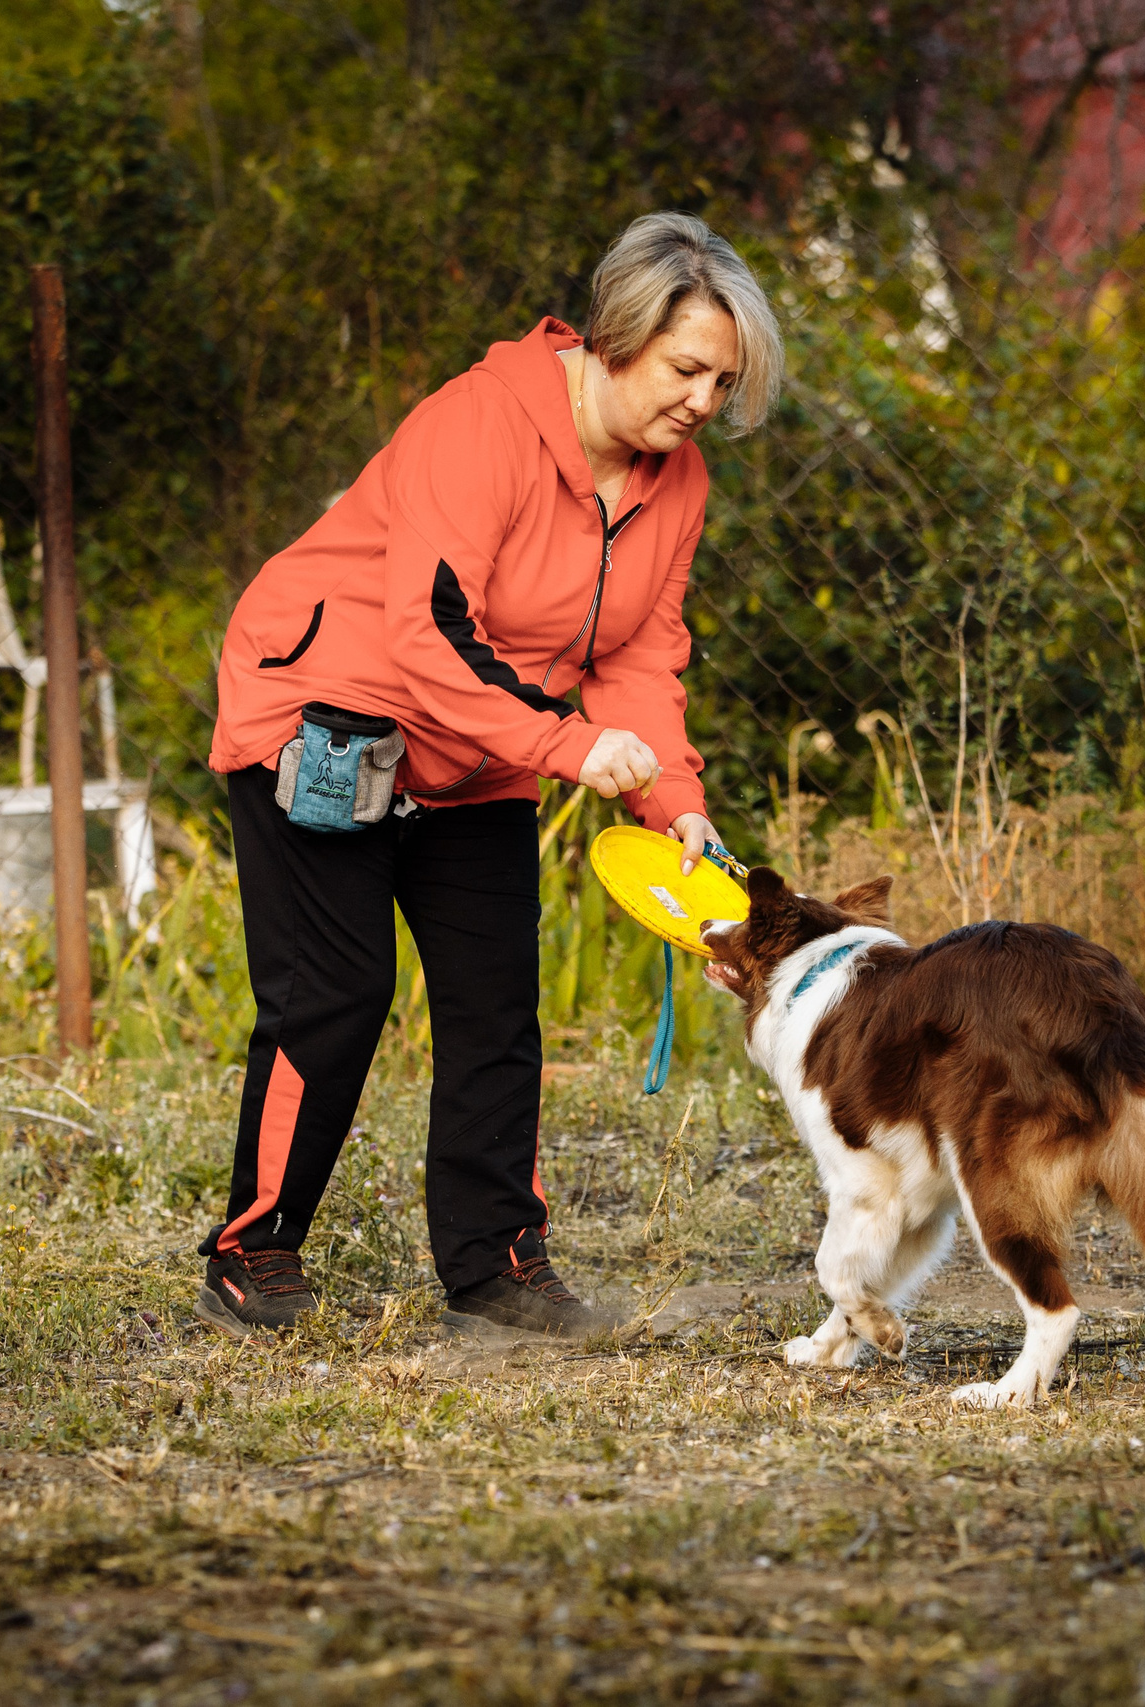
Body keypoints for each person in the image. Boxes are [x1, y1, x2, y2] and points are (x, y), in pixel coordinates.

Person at [197, 213, 785, 1336]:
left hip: (480, 741)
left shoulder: (677, 478)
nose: (703, 403)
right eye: (685, 370)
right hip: (325, 709)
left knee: (495, 1003)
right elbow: (429, 631)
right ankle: (252, 1249)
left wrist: (678, 805)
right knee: (337, 990)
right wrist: (567, 744)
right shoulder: (478, 427)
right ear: (616, 336)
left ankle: (495, 1266)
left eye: (723, 381)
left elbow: (640, 654)